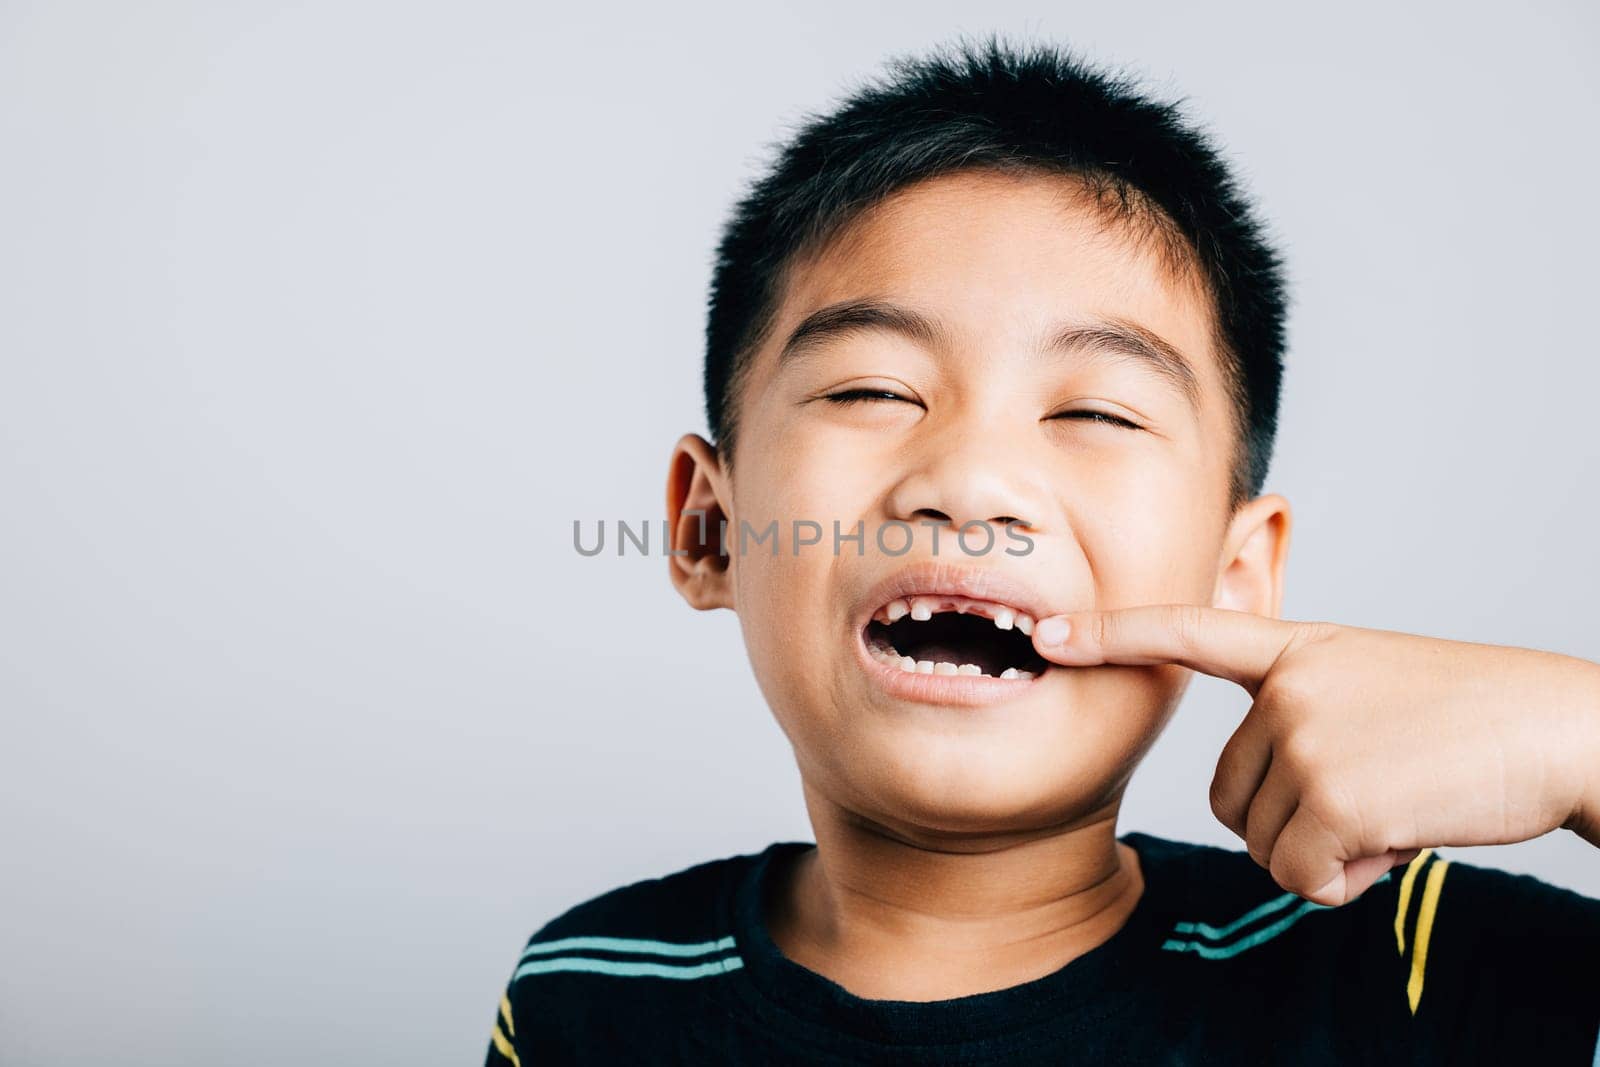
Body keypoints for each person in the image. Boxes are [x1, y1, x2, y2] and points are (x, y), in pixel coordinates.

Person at [485, 33, 1600, 1064]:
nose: (970, 479)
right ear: (708, 527)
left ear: (1236, 576)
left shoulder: (1412, 966)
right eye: (874, 387)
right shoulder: (589, 997)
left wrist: (1581, 736)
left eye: (1095, 413)